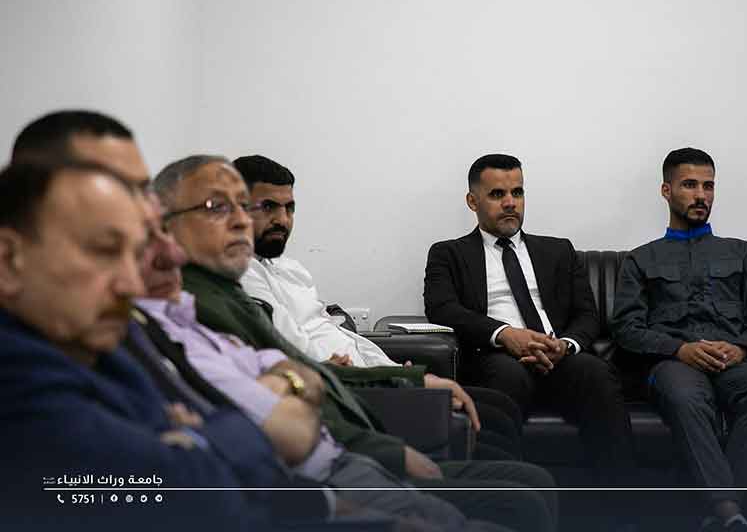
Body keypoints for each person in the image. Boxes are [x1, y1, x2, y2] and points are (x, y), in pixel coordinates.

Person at [155, 154, 557, 532]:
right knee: (519, 489)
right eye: (219, 208)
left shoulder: (268, 277)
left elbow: (323, 346)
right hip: (342, 442)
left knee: (520, 461)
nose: (246, 221)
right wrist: (395, 393)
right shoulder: (207, 301)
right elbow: (293, 379)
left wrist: (400, 374)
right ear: (162, 225)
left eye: (248, 208)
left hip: (349, 428)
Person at [0, 160, 280, 531]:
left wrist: (189, 441)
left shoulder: (92, 340)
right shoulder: (16, 380)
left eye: (134, 254)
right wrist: (199, 440)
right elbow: (202, 499)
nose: (132, 285)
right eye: (104, 251)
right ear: (8, 260)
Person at [233, 153, 523, 460]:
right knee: (494, 423)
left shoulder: (291, 270)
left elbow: (340, 335)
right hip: (346, 391)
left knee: (499, 408)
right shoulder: (242, 277)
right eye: (268, 207)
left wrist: (394, 371)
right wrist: (395, 380)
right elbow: (294, 349)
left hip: (371, 379)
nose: (282, 219)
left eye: (289, 208)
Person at [423, 153, 635, 476]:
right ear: (472, 201)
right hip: (494, 356)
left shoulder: (558, 250)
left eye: (517, 192)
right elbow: (442, 308)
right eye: (497, 194)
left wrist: (565, 345)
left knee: (597, 373)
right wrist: (505, 334)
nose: (510, 203)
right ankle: (506, 493)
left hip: (557, 356)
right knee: (508, 376)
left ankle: (622, 498)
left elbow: (587, 314)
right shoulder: (448, 253)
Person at [609, 147, 747, 531]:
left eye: (708, 186)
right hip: (674, 362)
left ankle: (717, 515)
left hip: (734, 358)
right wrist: (679, 349)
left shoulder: (741, 253)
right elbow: (625, 328)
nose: (701, 195)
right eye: (689, 185)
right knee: (687, 398)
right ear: (666, 190)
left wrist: (741, 348)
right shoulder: (641, 259)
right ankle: (727, 512)